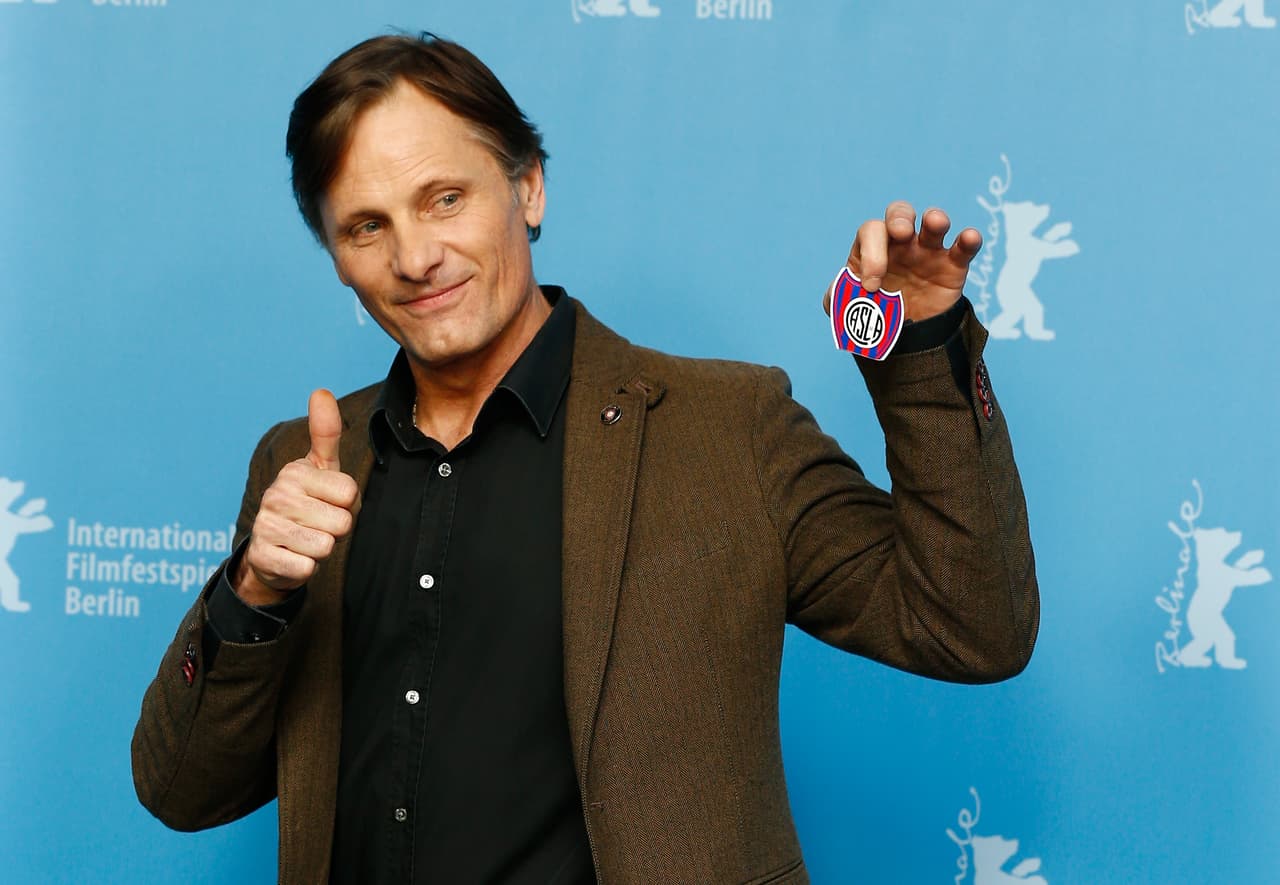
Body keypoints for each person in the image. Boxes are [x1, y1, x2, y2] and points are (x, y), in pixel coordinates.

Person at [132, 32, 1039, 885]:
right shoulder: (306, 465)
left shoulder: (726, 428)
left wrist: (920, 348)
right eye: (366, 227)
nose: (415, 256)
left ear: (528, 189)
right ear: (335, 256)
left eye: (445, 199)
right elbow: (182, 789)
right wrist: (255, 592)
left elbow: (972, 627)